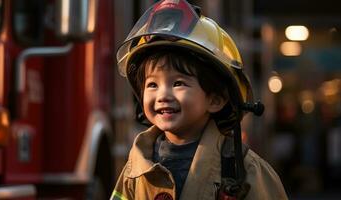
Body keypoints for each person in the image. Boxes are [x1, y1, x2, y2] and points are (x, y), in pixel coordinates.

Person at [111, 0, 288, 199]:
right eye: (152, 84)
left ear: (216, 99)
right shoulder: (134, 170)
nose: (162, 95)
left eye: (178, 83)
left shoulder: (246, 171)